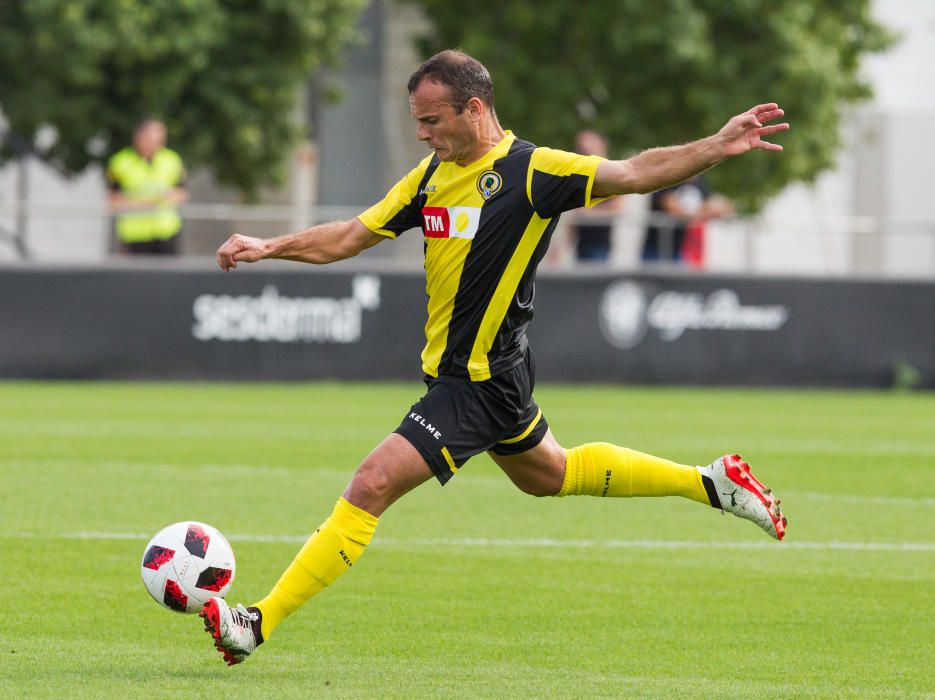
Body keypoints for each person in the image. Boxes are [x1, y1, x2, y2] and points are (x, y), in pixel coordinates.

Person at [201, 50, 789, 666]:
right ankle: (711, 483)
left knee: (370, 484)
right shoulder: (430, 177)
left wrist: (716, 147)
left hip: (476, 382)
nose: (423, 134)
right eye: (417, 122)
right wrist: (270, 245)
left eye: (431, 121)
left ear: (474, 109)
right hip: (493, 375)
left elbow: (635, 172)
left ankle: (255, 622)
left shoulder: (532, 171)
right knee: (552, 475)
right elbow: (351, 236)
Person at [106, 118, 188, 255]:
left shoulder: (172, 159)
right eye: (152, 138)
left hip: (166, 231)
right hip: (134, 234)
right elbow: (111, 200)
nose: (157, 143)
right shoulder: (120, 162)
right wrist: (142, 202)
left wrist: (168, 197)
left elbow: (182, 193)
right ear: (139, 137)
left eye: (160, 139)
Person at [641, 174, 733, 265]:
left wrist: (709, 210)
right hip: (655, 246)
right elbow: (670, 206)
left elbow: (719, 207)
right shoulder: (667, 177)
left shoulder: (700, 180)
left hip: (680, 248)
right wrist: (702, 213)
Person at [567, 129, 623, 262]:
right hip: (581, 243)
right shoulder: (580, 173)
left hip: (599, 243)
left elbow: (618, 207)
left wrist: (588, 213)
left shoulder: (611, 171)